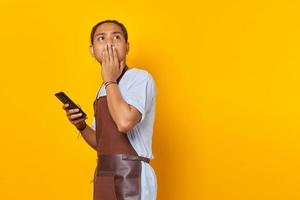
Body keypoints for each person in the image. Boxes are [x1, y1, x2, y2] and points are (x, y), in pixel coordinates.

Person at [62, 19, 157, 200]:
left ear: (127, 47)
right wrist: (81, 126)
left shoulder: (139, 78)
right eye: (101, 38)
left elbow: (124, 123)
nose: (109, 42)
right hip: (105, 175)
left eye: (116, 37)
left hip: (133, 175)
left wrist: (110, 80)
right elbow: (102, 143)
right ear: (92, 50)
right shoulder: (103, 88)